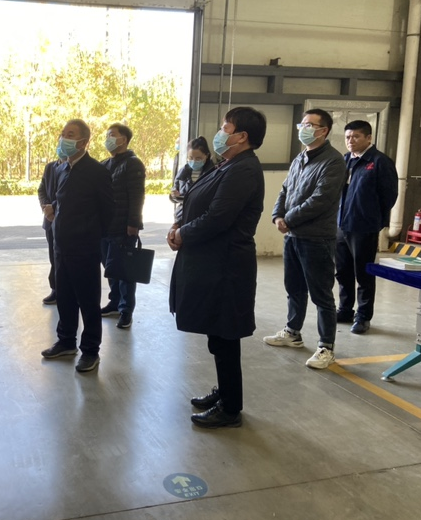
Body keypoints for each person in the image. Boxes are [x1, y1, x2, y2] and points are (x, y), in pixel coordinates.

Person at [168, 107, 266, 429]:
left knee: (225, 337)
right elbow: (197, 202)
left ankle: (230, 408)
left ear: (242, 136)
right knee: (217, 334)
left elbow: (218, 217)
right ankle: (225, 392)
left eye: (226, 128)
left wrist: (183, 233)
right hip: (212, 262)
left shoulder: (244, 169)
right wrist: (179, 225)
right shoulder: (228, 164)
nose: (220, 133)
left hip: (226, 266)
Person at [264, 108, 347, 369]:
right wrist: (278, 215)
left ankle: (326, 346)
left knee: (321, 294)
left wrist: (289, 219)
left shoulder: (333, 162)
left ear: (324, 130)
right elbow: (285, 189)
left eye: (310, 124)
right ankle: (293, 332)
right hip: (293, 236)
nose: (304, 128)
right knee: (294, 288)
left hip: (316, 238)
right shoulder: (300, 158)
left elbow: (321, 199)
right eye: (302, 124)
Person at [40, 119, 114, 373]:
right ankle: (66, 341)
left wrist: (91, 238)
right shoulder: (63, 169)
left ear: (83, 142)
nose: (64, 138)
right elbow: (65, 201)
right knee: (65, 298)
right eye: (63, 133)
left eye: (70, 135)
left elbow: (108, 212)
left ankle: (90, 350)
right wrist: (53, 210)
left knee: (88, 302)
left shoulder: (96, 172)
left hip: (84, 249)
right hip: (61, 246)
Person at [336, 120, 398, 334]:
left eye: (356, 136)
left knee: (363, 273)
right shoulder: (345, 160)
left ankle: (363, 316)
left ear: (369, 137)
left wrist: (374, 220)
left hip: (364, 227)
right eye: (347, 137)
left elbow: (389, 196)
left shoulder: (379, 162)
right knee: (342, 272)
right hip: (341, 225)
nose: (350, 141)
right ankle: (345, 310)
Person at [100, 123, 146, 329]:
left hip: (123, 227)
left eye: (112, 135)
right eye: (107, 135)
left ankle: (126, 310)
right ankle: (114, 302)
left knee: (125, 270)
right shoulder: (105, 164)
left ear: (124, 139)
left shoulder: (133, 164)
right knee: (111, 268)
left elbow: (137, 197)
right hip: (105, 226)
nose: (108, 138)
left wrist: (133, 223)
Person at [38, 155, 65, 305]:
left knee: (65, 259)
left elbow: (68, 195)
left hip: (66, 221)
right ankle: (56, 289)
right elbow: (42, 189)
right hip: (50, 221)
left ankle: (66, 291)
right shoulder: (50, 167)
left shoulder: (74, 169)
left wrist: (53, 208)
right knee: (53, 257)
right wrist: (46, 208)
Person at [169, 137, 212, 221]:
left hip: (202, 218)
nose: (194, 161)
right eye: (191, 158)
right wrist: (174, 195)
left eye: (198, 158)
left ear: (206, 156)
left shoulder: (212, 172)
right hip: (182, 216)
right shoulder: (183, 172)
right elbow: (174, 193)